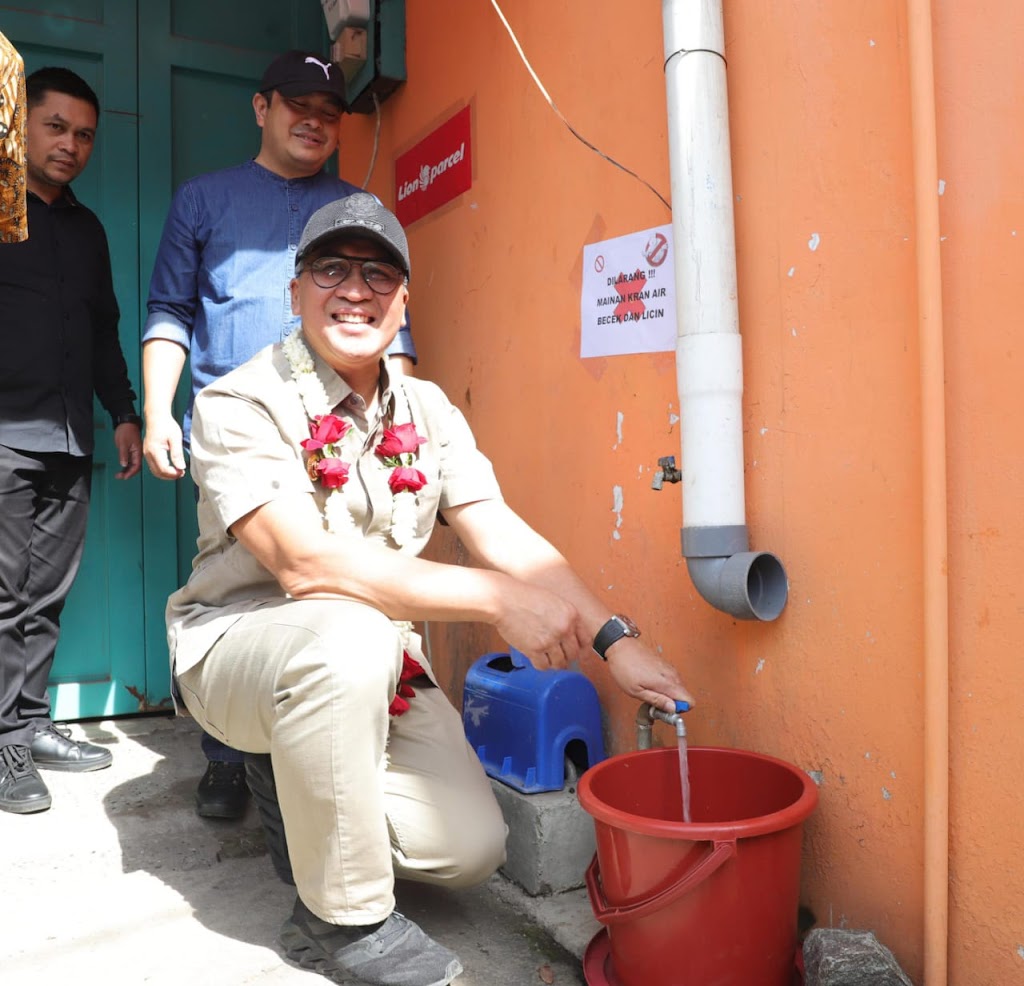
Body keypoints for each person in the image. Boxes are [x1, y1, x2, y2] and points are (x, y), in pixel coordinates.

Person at [167, 193, 694, 985]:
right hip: (244, 648)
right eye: (331, 270)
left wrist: (616, 642)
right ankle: (342, 925)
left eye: (379, 274)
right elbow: (305, 567)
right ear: (295, 291)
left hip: (380, 670)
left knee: (469, 850)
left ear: (404, 300)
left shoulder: (430, 408)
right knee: (344, 635)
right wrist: (493, 599)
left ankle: (293, 788)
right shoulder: (239, 401)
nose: (355, 290)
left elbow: (501, 531)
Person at [141, 49, 417, 820]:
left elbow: (394, 326)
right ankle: (230, 756)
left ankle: (347, 740)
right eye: (299, 106)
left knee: (344, 585)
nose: (315, 122)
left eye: (330, 113)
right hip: (239, 438)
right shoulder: (204, 200)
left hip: (343, 434)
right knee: (241, 591)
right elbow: (170, 312)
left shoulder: (358, 205)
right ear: (261, 108)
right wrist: (160, 410)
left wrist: (405, 430)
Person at [0, 67, 143, 815]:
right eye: (55, 127)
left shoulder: (87, 230)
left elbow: (103, 331)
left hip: (66, 435)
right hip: (3, 435)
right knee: (2, 595)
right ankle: (4, 745)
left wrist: (123, 411)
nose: (71, 145)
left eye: (84, 134)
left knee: (47, 595)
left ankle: (28, 724)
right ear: (20, 126)